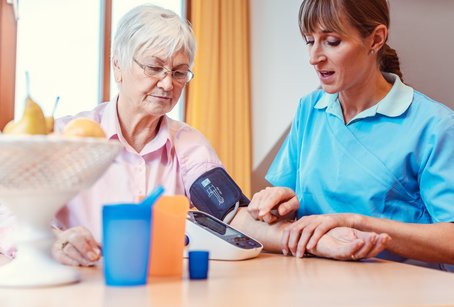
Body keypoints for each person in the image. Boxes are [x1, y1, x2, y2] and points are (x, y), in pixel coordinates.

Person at [38, 4, 384, 267]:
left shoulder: (187, 143)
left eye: (178, 72)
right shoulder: (71, 135)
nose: (166, 83)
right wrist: (54, 241)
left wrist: (319, 241)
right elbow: (8, 209)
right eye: (154, 67)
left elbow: (234, 216)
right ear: (117, 65)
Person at [241, 0, 454, 272]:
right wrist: (280, 204)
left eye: (332, 42)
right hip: (309, 281)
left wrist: (357, 222)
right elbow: (292, 208)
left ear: (376, 39)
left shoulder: (436, 126)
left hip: (400, 290)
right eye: (310, 41)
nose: (314, 57)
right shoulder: (310, 109)